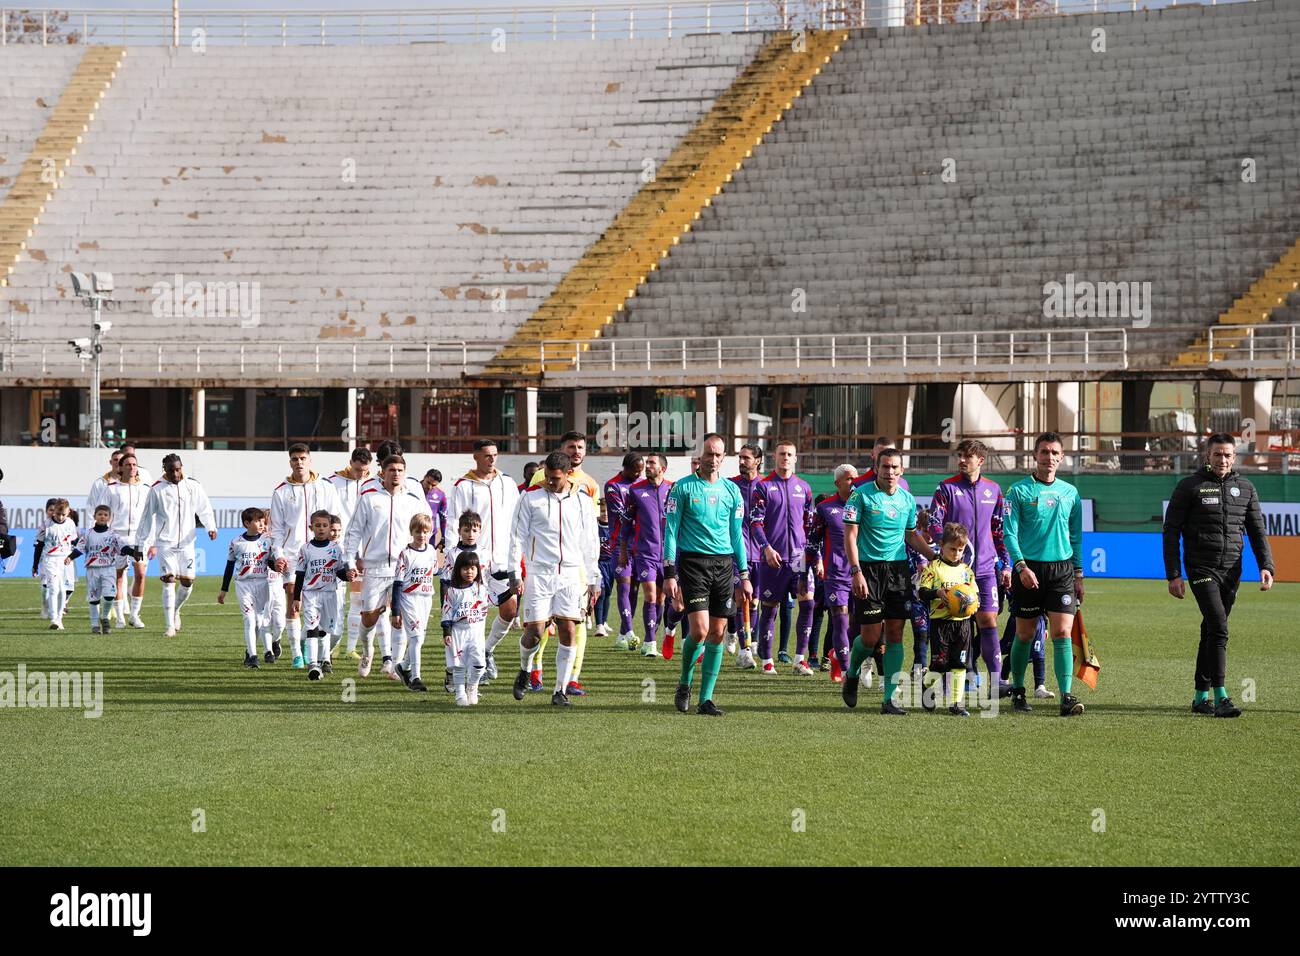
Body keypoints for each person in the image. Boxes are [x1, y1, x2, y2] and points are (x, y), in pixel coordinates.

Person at [1163, 433, 1275, 718]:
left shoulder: (1246, 488)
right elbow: (1171, 531)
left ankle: (1200, 697)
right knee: (1219, 627)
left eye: (1227, 455)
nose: (1222, 460)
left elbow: (1257, 531)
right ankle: (1221, 696)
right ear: (1207, 456)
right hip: (1201, 568)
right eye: (1217, 455)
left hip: (1232, 570)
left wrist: (1266, 565)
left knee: (1211, 631)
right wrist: (1174, 574)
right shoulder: (1190, 486)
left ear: (1234, 457)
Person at [841, 447, 937, 715]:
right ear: (877, 468)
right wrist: (855, 570)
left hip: (897, 572)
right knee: (870, 638)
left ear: (902, 470)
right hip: (868, 571)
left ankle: (889, 699)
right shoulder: (860, 496)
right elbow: (850, 536)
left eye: (895, 467)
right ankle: (851, 673)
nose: (890, 471)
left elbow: (911, 535)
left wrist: (936, 557)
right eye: (885, 467)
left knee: (895, 633)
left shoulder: (906, 500)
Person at [663, 433, 751, 717]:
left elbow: (737, 536)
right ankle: (684, 683)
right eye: (708, 454)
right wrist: (669, 572)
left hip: (724, 566)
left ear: (724, 458)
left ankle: (706, 700)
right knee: (699, 630)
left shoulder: (732, 492)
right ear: (699, 456)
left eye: (718, 455)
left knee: (717, 633)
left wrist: (744, 573)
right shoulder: (682, 488)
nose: (713, 460)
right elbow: (671, 531)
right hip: (693, 564)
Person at [1002, 432, 1085, 717]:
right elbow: (1008, 533)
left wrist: (1078, 573)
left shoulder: (1070, 493)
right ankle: (1018, 690)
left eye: (1054, 453)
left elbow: (1076, 536)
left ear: (1061, 457)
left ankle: (1066, 696)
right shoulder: (1018, 491)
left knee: (1062, 632)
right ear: (1035, 455)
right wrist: (1021, 566)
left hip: (1061, 571)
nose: (1049, 457)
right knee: (1024, 635)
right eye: (1044, 452)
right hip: (1029, 570)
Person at [509, 450, 601, 707]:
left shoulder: (582, 499)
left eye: (555, 478)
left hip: (571, 573)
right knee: (535, 631)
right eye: (548, 477)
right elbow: (516, 536)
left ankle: (559, 690)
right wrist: (514, 572)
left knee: (568, 628)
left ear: (567, 474)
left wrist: (594, 576)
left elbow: (590, 541)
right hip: (540, 572)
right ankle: (525, 669)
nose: (550, 482)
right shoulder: (530, 497)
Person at [928, 439, 1012, 703]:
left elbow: (999, 531)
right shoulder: (946, 488)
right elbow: (933, 524)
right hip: (955, 573)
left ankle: (997, 681)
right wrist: (950, 550)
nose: (962, 460)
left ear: (981, 460)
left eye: (968, 456)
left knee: (988, 621)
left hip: (986, 570)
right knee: (953, 626)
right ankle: (951, 680)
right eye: (960, 456)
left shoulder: (994, 490)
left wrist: (1007, 563)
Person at [342, 454, 432, 679]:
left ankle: (396, 663)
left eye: (400, 470)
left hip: (404, 569)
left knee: (399, 616)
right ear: (382, 471)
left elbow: (425, 530)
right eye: (391, 469)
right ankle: (367, 650)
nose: (396, 474)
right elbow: (354, 531)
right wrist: (350, 561)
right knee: (369, 617)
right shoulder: (369, 497)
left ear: (405, 472)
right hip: (374, 566)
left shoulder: (413, 499)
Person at [447, 439, 520, 684]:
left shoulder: (507, 483)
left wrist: (517, 554)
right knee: (471, 617)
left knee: (510, 610)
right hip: (471, 561)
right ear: (476, 456)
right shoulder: (462, 485)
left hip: (501, 559)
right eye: (487, 455)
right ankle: (463, 668)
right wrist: (452, 555)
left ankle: (487, 651)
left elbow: (518, 519)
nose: (492, 459)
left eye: (495, 455)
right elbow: (452, 521)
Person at [270, 444, 343, 669]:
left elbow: (337, 519)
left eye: (302, 458)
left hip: (323, 554)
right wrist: (279, 554)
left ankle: (317, 651)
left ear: (309, 460)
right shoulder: (281, 491)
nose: (299, 462)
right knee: (294, 602)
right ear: (289, 462)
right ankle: (296, 655)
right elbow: (277, 529)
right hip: (293, 554)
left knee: (323, 609)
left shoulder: (325, 486)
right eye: (294, 459)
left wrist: (337, 549)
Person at [750, 439, 815, 675]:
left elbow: (810, 527)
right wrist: (766, 548)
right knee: (769, 608)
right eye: (781, 454)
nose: (785, 457)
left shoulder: (804, 488)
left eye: (789, 454)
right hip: (772, 558)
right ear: (774, 457)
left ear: (796, 458)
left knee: (807, 604)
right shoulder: (763, 487)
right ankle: (767, 661)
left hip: (798, 558)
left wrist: (813, 558)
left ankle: (800, 659)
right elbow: (755, 523)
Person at [136, 454, 217, 638]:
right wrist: (140, 544)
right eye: (171, 470)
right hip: (165, 543)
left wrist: (210, 527)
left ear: (182, 467)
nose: (175, 473)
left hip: (187, 543)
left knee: (187, 583)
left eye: (178, 469)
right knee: (169, 581)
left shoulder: (192, 485)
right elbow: (147, 518)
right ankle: (169, 626)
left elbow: (204, 507)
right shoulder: (156, 489)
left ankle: (175, 610)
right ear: (164, 469)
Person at [914, 522, 980, 716]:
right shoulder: (933, 568)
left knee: (960, 663)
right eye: (952, 549)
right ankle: (927, 685)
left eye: (960, 550)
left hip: (963, 624)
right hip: (941, 623)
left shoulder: (966, 571)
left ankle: (956, 704)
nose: (956, 553)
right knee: (940, 664)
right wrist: (937, 592)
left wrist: (974, 605)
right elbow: (922, 592)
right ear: (941, 545)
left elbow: (975, 594)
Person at [618, 453, 678, 659]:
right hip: (645, 553)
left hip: (669, 554)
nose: (647, 466)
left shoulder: (674, 489)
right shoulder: (635, 490)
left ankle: (651, 638)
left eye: (652, 463)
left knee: (662, 598)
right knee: (651, 595)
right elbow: (626, 524)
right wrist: (624, 551)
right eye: (648, 463)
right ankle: (651, 642)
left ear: (662, 468)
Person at [87, 451, 150, 628]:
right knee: (118, 576)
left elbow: (151, 516)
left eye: (134, 464)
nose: (132, 467)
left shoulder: (145, 489)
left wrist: (151, 541)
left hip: (139, 538)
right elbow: (102, 512)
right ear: (120, 467)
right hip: (118, 538)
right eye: (128, 464)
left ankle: (135, 615)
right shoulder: (111, 488)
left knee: (140, 574)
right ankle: (121, 617)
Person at [810, 464, 857, 683]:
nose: (853, 482)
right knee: (841, 621)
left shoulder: (866, 505)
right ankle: (847, 671)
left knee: (858, 625)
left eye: (856, 478)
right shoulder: (825, 508)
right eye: (848, 479)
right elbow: (812, 542)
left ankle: (839, 654)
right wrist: (805, 573)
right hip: (836, 574)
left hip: (862, 575)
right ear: (837, 483)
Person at [291, 509, 350, 681]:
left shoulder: (336, 549)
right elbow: (300, 574)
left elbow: (339, 572)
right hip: (311, 594)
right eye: (318, 525)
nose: (322, 529)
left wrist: (347, 575)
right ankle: (313, 664)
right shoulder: (305, 549)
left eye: (325, 525)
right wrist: (296, 597)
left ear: (330, 527)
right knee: (312, 627)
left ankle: (325, 660)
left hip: (330, 594)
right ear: (311, 527)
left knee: (325, 629)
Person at [328, 446, 374, 658]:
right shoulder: (333, 482)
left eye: (365, 470)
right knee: (335, 597)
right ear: (351, 463)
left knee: (358, 598)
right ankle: (331, 641)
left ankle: (350, 647)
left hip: (363, 549)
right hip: (339, 547)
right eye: (357, 469)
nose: (361, 474)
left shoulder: (374, 484)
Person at [218, 507, 277, 668]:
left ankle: (251, 652)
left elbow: (271, 563)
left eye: (262, 520)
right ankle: (253, 656)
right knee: (249, 620)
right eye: (257, 521)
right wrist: (224, 589)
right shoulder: (236, 542)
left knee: (260, 620)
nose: (261, 523)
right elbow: (229, 566)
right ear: (246, 523)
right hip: (243, 585)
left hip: (262, 583)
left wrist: (279, 566)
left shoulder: (267, 541)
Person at [391, 513, 442, 694]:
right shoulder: (405, 554)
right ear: (411, 532)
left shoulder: (430, 551)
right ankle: (415, 677)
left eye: (426, 531)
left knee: (419, 638)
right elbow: (397, 583)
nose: (422, 535)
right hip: (409, 599)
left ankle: (402, 666)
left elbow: (435, 571)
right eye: (418, 531)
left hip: (426, 600)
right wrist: (395, 611)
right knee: (416, 638)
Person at [439, 551, 495, 706]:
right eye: (465, 568)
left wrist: (510, 591)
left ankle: (472, 687)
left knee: (479, 664)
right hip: (458, 631)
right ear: (458, 570)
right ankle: (460, 693)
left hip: (476, 631)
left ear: (477, 570)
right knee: (459, 665)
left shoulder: (481, 589)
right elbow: (447, 612)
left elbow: (494, 600)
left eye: (472, 568)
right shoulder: (452, 591)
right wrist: (447, 631)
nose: (469, 571)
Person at [728, 443, 764, 667]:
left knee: (755, 603)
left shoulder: (766, 485)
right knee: (741, 599)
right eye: (740, 458)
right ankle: (745, 650)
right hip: (736, 553)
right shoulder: (730, 486)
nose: (742, 461)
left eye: (746, 458)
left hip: (761, 553)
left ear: (758, 461)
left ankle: (749, 640)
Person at [603, 451, 645, 647]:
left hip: (639, 544)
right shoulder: (613, 486)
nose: (639, 474)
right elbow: (622, 515)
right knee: (624, 586)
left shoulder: (641, 485)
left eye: (641, 471)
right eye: (636, 471)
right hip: (620, 544)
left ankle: (621, 635)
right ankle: (629, 630)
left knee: (635, 589)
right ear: (626, 468)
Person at [75, 503, 131, 634]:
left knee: (110, 595)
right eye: (99, 514)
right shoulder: (87, 534)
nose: (102, 517)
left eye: (105, 515)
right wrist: (70, 557)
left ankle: (105, 618)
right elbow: (80, 549)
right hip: (92, 569)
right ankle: (95, 624)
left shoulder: (113, 535)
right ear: (94, 516)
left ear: (109, 518)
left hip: (109, 568)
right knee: (94, 598)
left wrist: (133, 552)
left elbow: (122, 547)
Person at [421, 468, 448, 551]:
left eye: (433, 485)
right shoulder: (412, 489)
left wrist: (443, 537)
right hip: (412, 533)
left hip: (430, 534)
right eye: (428, 483)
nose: (429, 487)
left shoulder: (440, 495)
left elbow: (443, 517)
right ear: (424, 477)